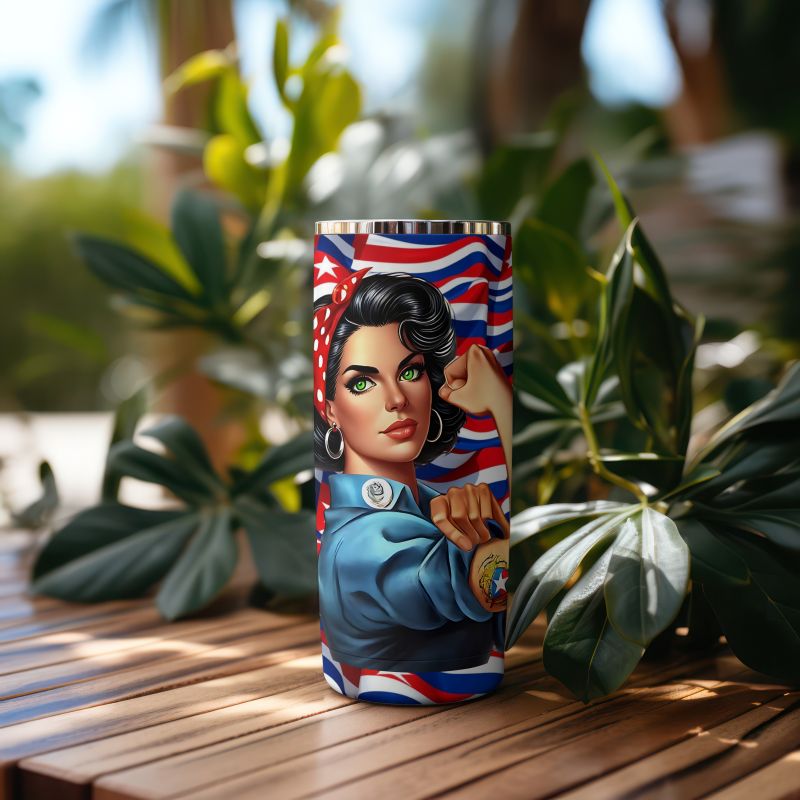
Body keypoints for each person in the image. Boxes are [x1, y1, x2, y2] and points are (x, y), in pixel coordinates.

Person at [314, 269, 512, 672]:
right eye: (362, 383)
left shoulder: (429, 504)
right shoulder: (361, 545)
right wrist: (503, 407)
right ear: (330, 409)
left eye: (409, 372)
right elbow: (496, 585)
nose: (397, 399)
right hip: (403, 726)